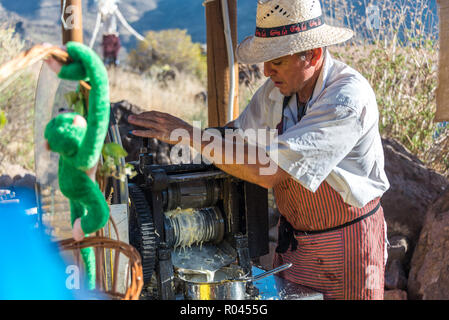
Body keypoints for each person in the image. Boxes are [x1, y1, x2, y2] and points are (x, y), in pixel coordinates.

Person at [128, 0, 390, 300]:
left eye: (276, 61)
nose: (266, 71)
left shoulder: (345, 100)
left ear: (313, 55)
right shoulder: (277, 93)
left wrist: (189, 134)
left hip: (347, 248)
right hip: (296, 246)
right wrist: (176, 136)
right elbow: (239, 139)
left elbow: (269, 170)